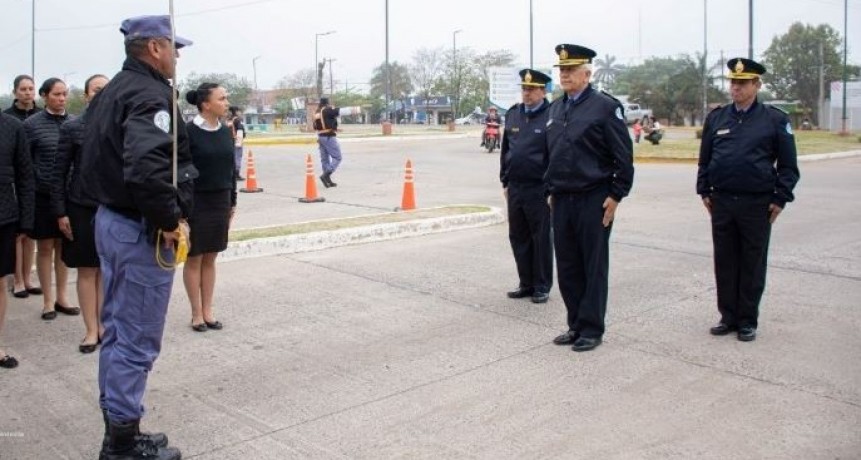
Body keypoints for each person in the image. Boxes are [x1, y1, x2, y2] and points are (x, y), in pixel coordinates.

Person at [82, 15, 196, 459]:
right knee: (136, 338)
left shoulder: (113, 90)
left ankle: (122, 429)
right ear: (153, 48)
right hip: (138, 230)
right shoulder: (151, 95)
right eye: (174, 47)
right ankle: (121, 445)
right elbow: (147, 168)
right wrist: (169, 219)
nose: (178, 55)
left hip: (112, 220)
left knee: (117, 333)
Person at [697, 58, 800, 342]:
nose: (736, 88)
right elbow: (705, 160)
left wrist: (780, 199)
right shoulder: (717, 118)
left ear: (757, 85)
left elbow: (789, 167)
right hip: (722, 201)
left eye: (742, 84)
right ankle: (727, 316)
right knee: (725, 260)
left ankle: (747, 319)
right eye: (733, 83)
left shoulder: (774, 119)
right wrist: (704, 190)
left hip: (757, 203)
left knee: (752, 261)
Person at [546, 44, 635, 352]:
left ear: (587, 73)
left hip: (593, 198)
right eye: (561, 70)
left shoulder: (604, 107)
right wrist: (549, 190)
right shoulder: (556, 108)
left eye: (571, 70)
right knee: (568, 265)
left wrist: (616, 195)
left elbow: (623, 156)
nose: (565, 74)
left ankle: (592, 328)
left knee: (592, 265)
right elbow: (551, 153)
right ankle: (575, 324)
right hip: (562, 198)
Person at [51, 74, 109, 353]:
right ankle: (90, 329)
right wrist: (60, 212)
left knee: (108, 271)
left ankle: (106, 326)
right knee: (88, 270)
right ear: (86, 95)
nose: (101, 93)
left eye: (106, 90)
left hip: (112, 209)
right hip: (81, 207)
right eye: (96, 89)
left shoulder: (119, 126)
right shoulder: (73, 127)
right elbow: (59, 174)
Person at [22, 78, 79, 321]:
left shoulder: (75, 123)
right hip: (42, 195)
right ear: (44, 96)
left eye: (64, 94)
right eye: (56, 94)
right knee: (45, 246)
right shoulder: (32, 125)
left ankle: (62, 296)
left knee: (63, 246)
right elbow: (25, 161)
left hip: (69, 194)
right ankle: (47, 300)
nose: (62, 98)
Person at [183, 83, 236, 332]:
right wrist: (181, 209)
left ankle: (208, 310)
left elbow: (230, 169)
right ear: (206, 104)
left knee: (211, 257)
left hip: (220, 200)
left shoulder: (226, 131)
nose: (226, 102)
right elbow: (181, 173)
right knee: (194, 258)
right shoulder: (188, 132)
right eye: (222, 98)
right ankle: (196, 314)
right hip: (196, 201)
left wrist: (232, 201)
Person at [500, 69, 554, 304]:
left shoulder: (552, 116)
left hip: (539, 188)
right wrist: (504, 180)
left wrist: (552, 187)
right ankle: (526, 283)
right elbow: (505, 150)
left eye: (532, 90)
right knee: (518, 236)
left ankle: (542, 285)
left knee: (540, 237)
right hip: (515, 187)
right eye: (524, 89)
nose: (527, 93)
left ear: (543, 91)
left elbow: (556, 154)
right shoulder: (513, 114)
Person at [0, 112, 35, 370]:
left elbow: (25, 176)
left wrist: (26, 220)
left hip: (4, 216)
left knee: (0, 282)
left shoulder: (12, 127)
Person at [4, 75, 41, 298]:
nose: (28, 92)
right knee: (17, 234)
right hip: (12, 184)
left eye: (31, 88)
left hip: (33, 181)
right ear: (15, 92)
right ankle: (16, 279)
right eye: (23, 89)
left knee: (30, 233)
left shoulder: (40, 116)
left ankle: (28, 278)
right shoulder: (7, 119)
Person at [314, 97, 360, 188]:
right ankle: (326, 175)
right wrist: (355, 109)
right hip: (328, 137)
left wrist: (334, 128)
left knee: (325, 159)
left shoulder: (317, 112)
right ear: (327, 103)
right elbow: (339, 111)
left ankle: (327, 180)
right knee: (337, 157)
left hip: (321, 137)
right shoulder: (327, 110)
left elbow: (317, 126)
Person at [228, 106, 245, 180]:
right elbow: (240, 130)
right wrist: (239, 142)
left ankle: (231, 174)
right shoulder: (237, 120)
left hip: (229, 141)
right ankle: (236, 174)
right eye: (239, 111)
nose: (240, 113)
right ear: (237, 111)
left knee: (232, 158)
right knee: (237, 157)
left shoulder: (229, 119)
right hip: (236, 141)